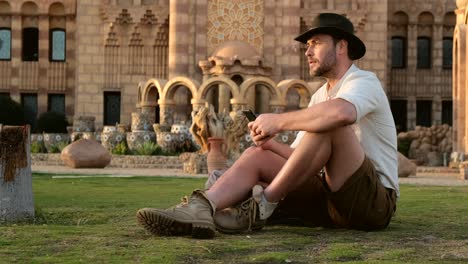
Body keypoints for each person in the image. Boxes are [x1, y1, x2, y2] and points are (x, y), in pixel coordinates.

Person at [136, 12, 399, 239]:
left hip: (372, 203)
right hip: (331, 201)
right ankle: (201, 207)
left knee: (329, 123)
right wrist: (269, 144)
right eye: (307, 45)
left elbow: (341, 114)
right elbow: (302, 158)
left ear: (341, 46)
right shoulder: (321, 96)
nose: (307, 52)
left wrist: (278, 122)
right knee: (257, 155)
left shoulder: (364, 82)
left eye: (315, 43)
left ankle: (263, 203)